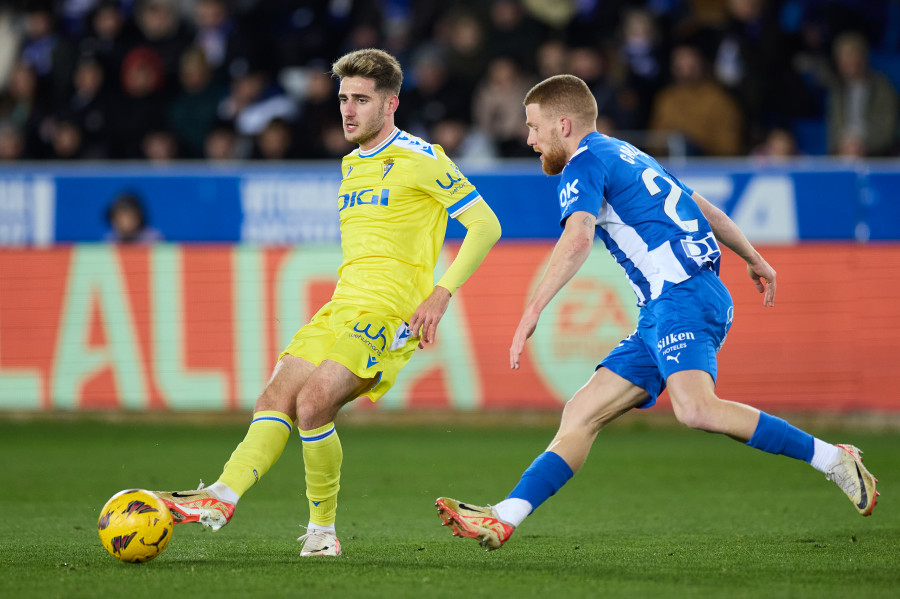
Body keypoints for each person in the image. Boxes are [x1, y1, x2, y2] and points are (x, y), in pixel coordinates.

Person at [435, 74, 879, 551]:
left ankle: (833, 457)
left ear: (563, 124)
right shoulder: (627, 153)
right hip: (669, 304)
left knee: (695, 409)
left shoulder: (583, 163)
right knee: (581, 412)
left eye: (534, 127)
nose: (529, 139)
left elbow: (579, 236)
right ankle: (505, 516)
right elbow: (705, 209)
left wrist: (533, 309)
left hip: (682, 295)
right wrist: (752, 256)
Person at [154, 48, 502, 557]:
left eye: (361, 99)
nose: (348, 110)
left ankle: (322, 533)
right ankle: (220, 497)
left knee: (313, 404)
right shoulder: (351, 165)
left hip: (387, 316)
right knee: (275, 399)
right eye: (343, 99)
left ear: (391, 104)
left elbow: (486, 225)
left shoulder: (422, 159)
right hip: (340, 307)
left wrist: (441, 292)